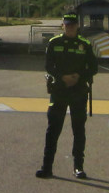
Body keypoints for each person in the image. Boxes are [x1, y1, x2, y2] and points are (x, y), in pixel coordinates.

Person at [36, 13, 98, 180]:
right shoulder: (54, 43)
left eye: (73, 25)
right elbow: (49, 65)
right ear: (62, 25)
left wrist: (78, 76)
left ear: (77, 26)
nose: (70, 27)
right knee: (53, 130)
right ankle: (46, 167)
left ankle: (78, 167)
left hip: (78, 91)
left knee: (78, 131)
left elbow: (93, 67)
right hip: (59, 91)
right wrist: (63, 77)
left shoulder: (84, 44)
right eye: (67, 24)